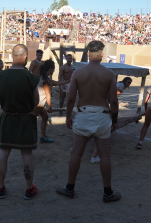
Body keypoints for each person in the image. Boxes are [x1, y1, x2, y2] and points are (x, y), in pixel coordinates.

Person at [56, 41, 121, 203]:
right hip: (102, 115)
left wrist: (68, 116)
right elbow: (114, 102)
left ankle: (70, 188)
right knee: (105, 156)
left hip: (84, 114)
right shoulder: (109, 74)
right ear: (101, 54)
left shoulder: (78, 72)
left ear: (88, 53)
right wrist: (114, 120)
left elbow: (71, 99)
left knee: (76, 153)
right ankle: (108, 192)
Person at [0, 44, 40, 200]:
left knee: (3, 152)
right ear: (25, 58)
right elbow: (37, 101)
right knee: (26, 153)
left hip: (7, 118)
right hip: (26, 119)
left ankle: (0, 188)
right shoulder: (31, 77)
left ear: (12, 56)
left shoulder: (0, 76)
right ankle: (28, 189)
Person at [91, 76, 133, 163]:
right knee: (103, 133)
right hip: (108, 103)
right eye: (128, 82)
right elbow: (116, 93)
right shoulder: (121, 86)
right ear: (125, 81)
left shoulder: (120, 84)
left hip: (105, 101)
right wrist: (116, 101)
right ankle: (95, 156)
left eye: (130, 83)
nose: (129, 84)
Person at [34, 59, 70, 143]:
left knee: (44, 117)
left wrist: (68, 81)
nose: (53, 70)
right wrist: (50, 107)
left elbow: (55, 83)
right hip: (38, 104)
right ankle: (34, 137)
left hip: (39, 103)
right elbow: (47, 94)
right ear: (50, 69)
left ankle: (43, 137)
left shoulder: (45, 78)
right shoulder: (45, 80)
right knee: (31, 121)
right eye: (53, 69)